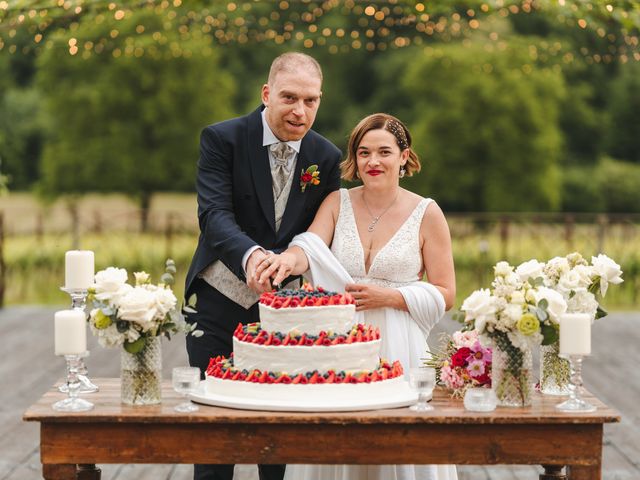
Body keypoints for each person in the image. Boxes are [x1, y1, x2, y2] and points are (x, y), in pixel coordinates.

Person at [256, 113, 457, 480]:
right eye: (363, 152)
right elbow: (309, 248)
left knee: (397, 445)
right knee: (335, 445)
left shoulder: (427, 213)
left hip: (399, 345)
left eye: (384, 152)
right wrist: (286, 259)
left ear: (404, 156)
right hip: (340, 343)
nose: (373, 162)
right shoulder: (337, 202)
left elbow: (446, 292)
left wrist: (393, 297)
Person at [184, 52, 342, 480]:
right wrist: (252, 257)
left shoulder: (325, 157)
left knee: (276, 441)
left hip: (285, 315)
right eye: (289, 97)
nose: (300, 110)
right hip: (218, 304)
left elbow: (320, 233)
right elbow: (214, 214)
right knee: (216, 439)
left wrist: (289, 267)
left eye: (311, 101)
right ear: (267, 93)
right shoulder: (222, 139)